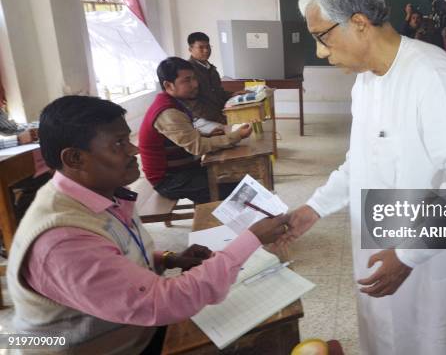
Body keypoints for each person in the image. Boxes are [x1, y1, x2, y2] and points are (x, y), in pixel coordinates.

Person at [281, 0, 446, 355]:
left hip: (431, 257)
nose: (320, 52)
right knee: (388, 339)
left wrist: (409, 253)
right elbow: (357, 161)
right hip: (383, 248)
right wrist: (315, 208)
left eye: (322, 37)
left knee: (433, 341)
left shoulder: (430, 73)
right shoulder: (366, 80)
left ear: (359, 23)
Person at [7, 95, 289, 354]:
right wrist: (251, 239)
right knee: (261, 341)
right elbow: (162, 303)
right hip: (84, 347)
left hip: (126, 328)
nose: (134, 150)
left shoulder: (96, 195)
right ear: (75, 158)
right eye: (118, 143)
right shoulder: (62, 241)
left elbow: (110, 255)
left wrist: (167, 258)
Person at [139, 57, 252, 203]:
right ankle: (219, 221)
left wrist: (207, 134)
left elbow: (183, 136)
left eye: (194, 78)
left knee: (236, 177)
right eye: (187, 80)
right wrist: (236, 136)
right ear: (168, 85)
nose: (195, 84)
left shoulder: (175, 103)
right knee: (235, 189)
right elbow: (197, 147)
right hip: (169, 180)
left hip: (183, 171)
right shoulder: (168, 112)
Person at [186, 32, 236, 124]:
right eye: (201, 47)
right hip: (201, 119)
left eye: (208, 47)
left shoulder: (211, 69)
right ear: (190, 49)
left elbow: (218, 93)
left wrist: (234, 94)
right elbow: (193, 104)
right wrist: (219, 118)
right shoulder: (188, 72)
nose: (206, 50)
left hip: (219, 114)